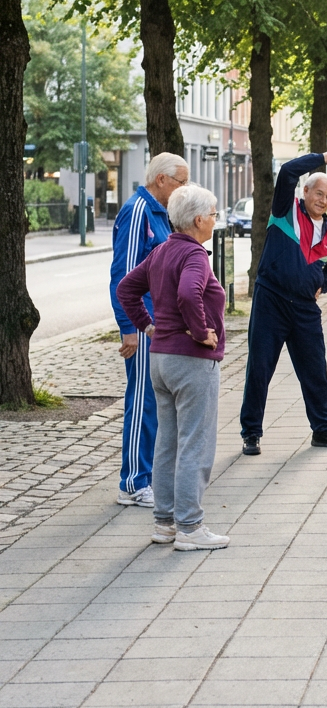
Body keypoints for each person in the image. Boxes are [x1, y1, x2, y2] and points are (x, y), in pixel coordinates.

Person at [116, 185, 229, 551]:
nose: (215, 219)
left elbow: (125, 289)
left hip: (161, 360)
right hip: (191, 360)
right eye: (213, 213)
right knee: (196, 444)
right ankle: (191, 527)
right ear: (198, 220)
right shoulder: (195, 256)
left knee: (167, 444)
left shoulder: (162, 250)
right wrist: (202, 333)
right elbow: (187, 294)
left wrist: (148, 326)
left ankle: (164, 523)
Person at [238, 148, 327, 455]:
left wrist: (322, 285)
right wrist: (325, 158)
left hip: (305, 309)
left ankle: (323, 430)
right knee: (260, 368)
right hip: (271, 301)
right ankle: (251, 432)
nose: (322, 200)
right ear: (305, 191)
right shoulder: (285, 211)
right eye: (318, 193)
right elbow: (288, 171)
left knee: (315, 370)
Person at [109, 151, 190, 508]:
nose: (184, 188)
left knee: (157, 403)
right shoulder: (138, 211)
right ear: (161, 180)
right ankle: (132, 482)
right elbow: (123, 275)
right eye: (180, 182)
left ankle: (150, 475)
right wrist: (129, 326)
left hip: (161, 326)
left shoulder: (162, 213)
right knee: (141, 400)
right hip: (143, 325)